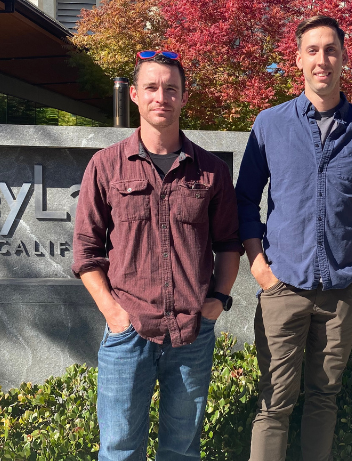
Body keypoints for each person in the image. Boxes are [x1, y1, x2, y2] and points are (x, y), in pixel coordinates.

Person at [235, 15, 352, 461]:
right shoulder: (269, 125)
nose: (321, 59)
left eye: (330, 50)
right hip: (282, 285)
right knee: (273, 403)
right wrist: (260, 268)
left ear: (344, 58)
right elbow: (245, 200)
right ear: (298, 59)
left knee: (325, 397)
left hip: (343, 289)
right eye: (312, 50)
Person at [71, 50, 242, 461]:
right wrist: (114, 315)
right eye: (151, 87)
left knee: (182, 451)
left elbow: (230, 245)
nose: (160, 97)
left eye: (171, 89)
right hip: (128, 334)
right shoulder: (106, 166)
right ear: (134, 94)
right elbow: (86, 252)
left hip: (192, 334)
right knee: (118, 450)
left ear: (184, 98)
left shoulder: (211, 171)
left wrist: (217, 302)